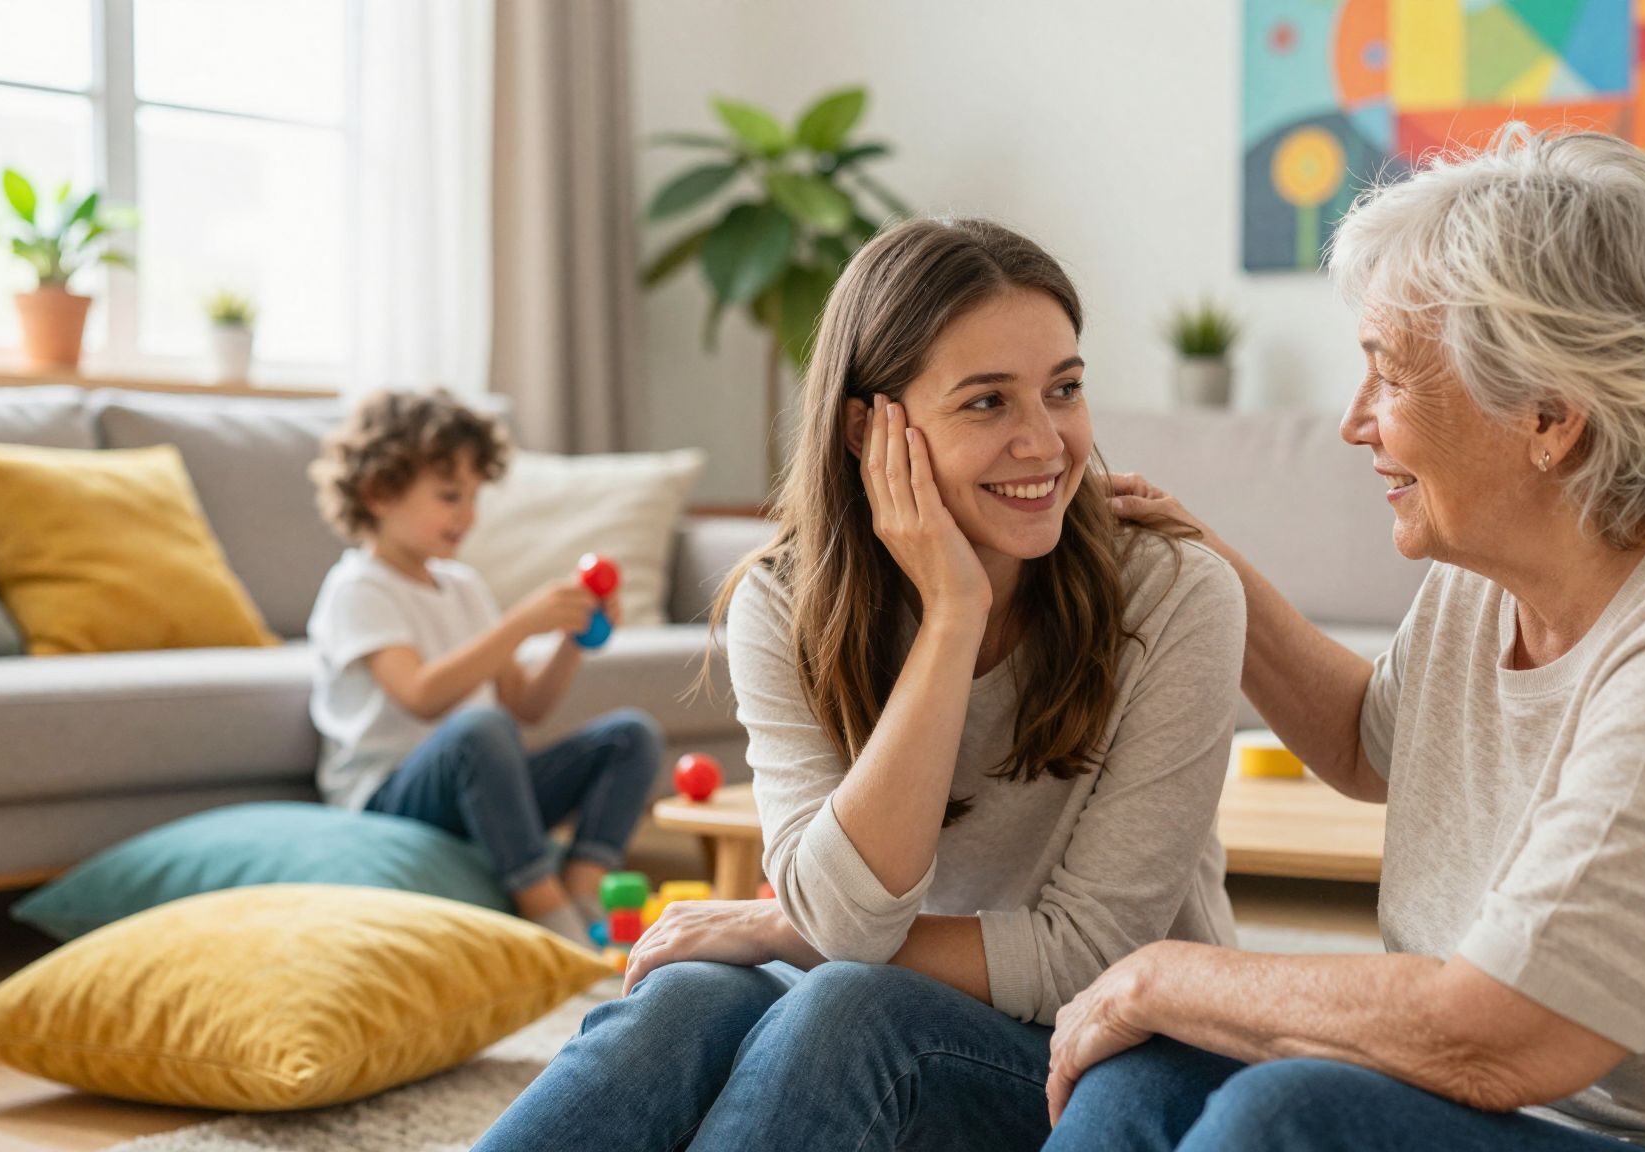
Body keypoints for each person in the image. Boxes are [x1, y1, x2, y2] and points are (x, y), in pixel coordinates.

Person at [1044, 126, 1645, 1151]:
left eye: (1387, 375)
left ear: (1547, 418)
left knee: (1284, 1119)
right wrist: (1193, 558)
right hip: (1568, 1125)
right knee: (1141, 1077)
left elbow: (1500, 1040)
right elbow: (1368, 744)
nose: (1352, 420)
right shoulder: (1502, 567)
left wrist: (1158, 972)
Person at [474, 217, 1246, 1151]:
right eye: (987, 403)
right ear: (868, 427)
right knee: (684, 1001)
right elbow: (844, 916)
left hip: (1117, 1047)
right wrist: (951, 617)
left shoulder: (1172, 595)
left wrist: (781, 931)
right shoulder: (784, 599)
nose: (1045, 442)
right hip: (891, 985)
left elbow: (1090, 952)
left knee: (846, 1002)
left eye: (1064, 390)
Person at [307, 389, 661, 945]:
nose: (468, 515)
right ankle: (545, 911)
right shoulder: (358, 588)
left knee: (630, 735)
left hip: (481, 787)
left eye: (473, 497)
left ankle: (583, 886)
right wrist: (520, 624)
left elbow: (527, 706)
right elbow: (420, 695)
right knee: (480, 729)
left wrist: (571, 641)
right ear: (378, 493)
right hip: (390, 795)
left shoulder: (464, 588)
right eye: (450, 496)